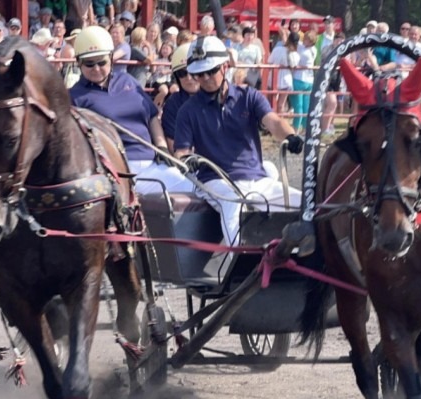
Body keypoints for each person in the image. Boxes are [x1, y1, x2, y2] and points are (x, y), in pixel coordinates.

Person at [173, 36, 304, 247]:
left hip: (257, 179)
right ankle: (240, 260)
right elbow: (181, 152)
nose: (205, 78)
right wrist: (188, 159)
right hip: (215, 181)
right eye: (198, 74)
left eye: (211, 71)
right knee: (234, 202)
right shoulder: (187, 111)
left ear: (225, 66)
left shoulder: (249, 96)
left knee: (306, 204)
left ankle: (308, 260)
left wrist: (291, 136)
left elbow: (274, 122)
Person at [69, 26, 192, 195]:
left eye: (102, 62)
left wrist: (162, 149)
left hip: (152, 162)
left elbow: (152, 116)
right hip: (116, 169)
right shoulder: (75, 97)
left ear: (111, 58)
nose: (96, 68)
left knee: (194, 188)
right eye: (89, 63)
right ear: (79, 62)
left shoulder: (128, 80)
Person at [161, 43, 198, 150]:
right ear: (177, 77)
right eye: (182, 73)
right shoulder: (173, 104)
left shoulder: (218, 99)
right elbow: (174, 146)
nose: (189, 78)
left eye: (193, 72)